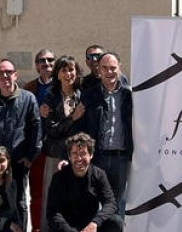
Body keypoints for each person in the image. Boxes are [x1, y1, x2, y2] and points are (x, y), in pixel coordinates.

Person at [0, 57, 42, 224]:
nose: (5, 76)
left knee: (19, 202)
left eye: (9, 72)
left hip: (18, 162)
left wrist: (30, 157)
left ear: (15, 75)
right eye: (1, 73)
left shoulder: (28, 99)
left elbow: (36, 130)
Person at [81, 52, 133, 213]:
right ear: (98, 69)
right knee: (92, 204)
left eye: (113, 68)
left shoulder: (130, 95)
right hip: (97, 158)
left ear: (120, 68)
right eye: (105, 68)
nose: (109, 72)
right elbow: (81, 126)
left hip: (121, 160)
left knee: (116, 207)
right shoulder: (89, 95)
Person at [40, 56, 87, 231]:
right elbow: (51, 130)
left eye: (72, 69)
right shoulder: (50, 98)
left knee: (75, 199)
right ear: (57, 74)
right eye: (64, 70)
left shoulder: (82, 95)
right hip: (55, 154)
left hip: (77, 157)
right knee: (52, 198)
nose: (69, 74)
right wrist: (71, 118)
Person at [46, 133, 123, 232]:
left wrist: (95, 222)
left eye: (83, 154)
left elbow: (110, 203)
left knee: (116, 222)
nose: (79, 159)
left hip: (89, 226)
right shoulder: (58, 177)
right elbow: (53, 212)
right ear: (69, 156)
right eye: (75, 154)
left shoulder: (99, 175)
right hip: (66, 226)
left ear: (91, 155)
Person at [24, 49, 57, 232]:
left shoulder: (62, 86)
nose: (46, 63)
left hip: (56, 149)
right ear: (36, 65)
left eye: (50, 60)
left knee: (55, 193)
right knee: (36, 194)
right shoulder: (29, 88)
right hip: (36, 148)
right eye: (42, 60)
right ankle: (37, 227)